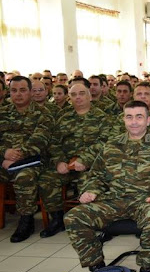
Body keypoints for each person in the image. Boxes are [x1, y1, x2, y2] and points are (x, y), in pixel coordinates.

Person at [64, 100, 150, 272]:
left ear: (148, 120)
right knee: (74, 217)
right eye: (129, 117)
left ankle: (146, 267)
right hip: (114, 201)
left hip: (147, 201)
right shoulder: (111, 145)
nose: (134, 122)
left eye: (139, 117)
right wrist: (91, 190)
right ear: (123, 119)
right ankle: (96, 266)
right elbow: (96, 175)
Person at [38, 82, 109, 237]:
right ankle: (57, 219)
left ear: (90, 96)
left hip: (91, 166)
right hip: (68, 165)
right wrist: (59, 161)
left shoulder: (102, 118)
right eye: (74, 94)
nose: (78, 97)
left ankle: (92, 221)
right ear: (69, 98)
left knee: (89, 184)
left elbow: (105, 143)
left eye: (82, 93)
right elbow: (54, 142)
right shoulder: (63, 118)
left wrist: (85, 160)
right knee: (47, 179)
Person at [0, 76, 55, 242]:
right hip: (5, 160)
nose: (18, 94)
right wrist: (4, 153)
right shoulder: (2, 113)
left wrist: (16, 158)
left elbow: (40, 140)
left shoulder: (43, 113)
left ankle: (26, 220)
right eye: (14, 90)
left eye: (22, 90)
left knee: (24, 177)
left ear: (31, 92)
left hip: (32, 161)